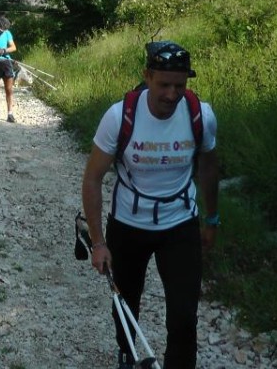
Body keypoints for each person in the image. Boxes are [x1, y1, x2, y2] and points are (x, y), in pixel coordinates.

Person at [81, 41, 219, 369]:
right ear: (147, 75)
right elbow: (92, 178)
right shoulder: (120, 116)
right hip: (129, 225)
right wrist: (98, 243)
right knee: (125, 304)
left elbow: (210, 166)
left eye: (180, 85)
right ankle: (127, 354)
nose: (172, 94)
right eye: (164, 84)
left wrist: (211, 219)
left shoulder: (201, 115)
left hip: (180, 225)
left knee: (185, 318)